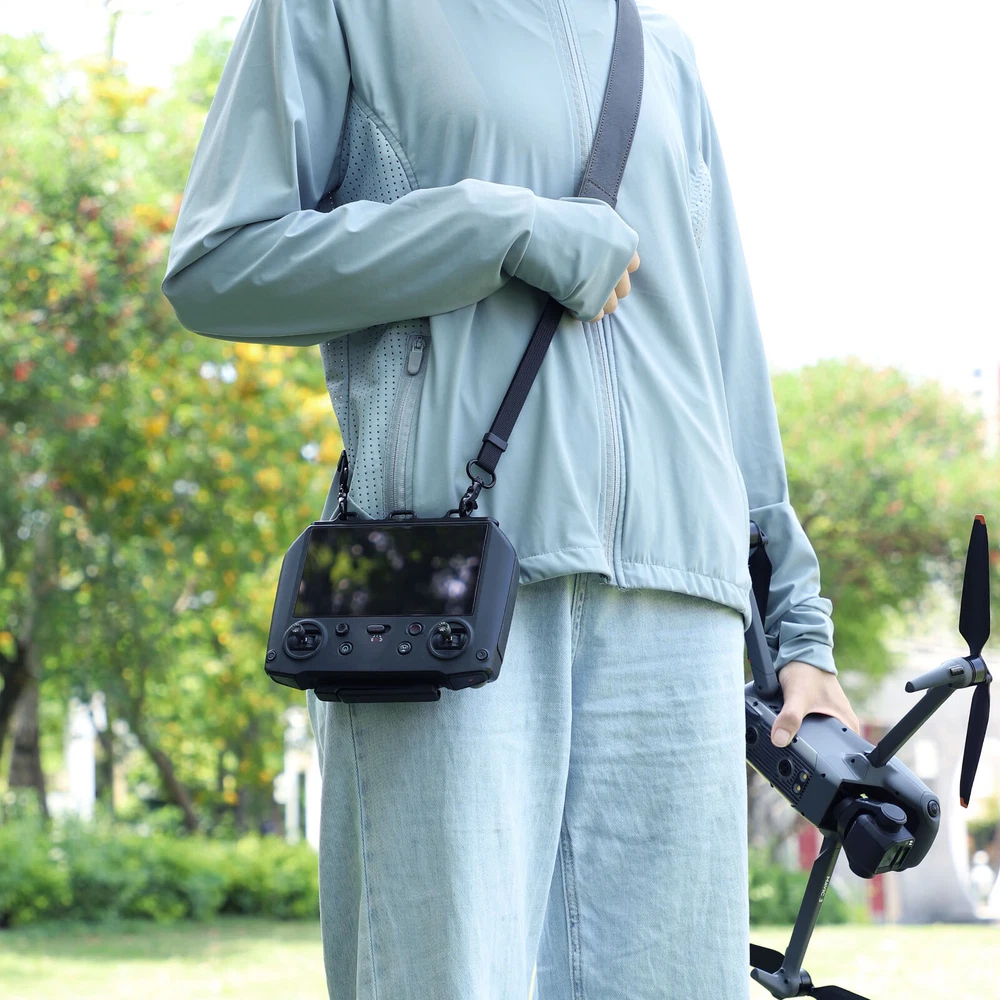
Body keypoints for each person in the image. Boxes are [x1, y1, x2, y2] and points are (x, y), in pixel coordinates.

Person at [162, 0, 861, 996]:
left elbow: (726, 357)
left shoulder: (659, 48)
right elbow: (217, 267)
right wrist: (492, 228)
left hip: (678, 605)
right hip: (445, 591)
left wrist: (798, 630)